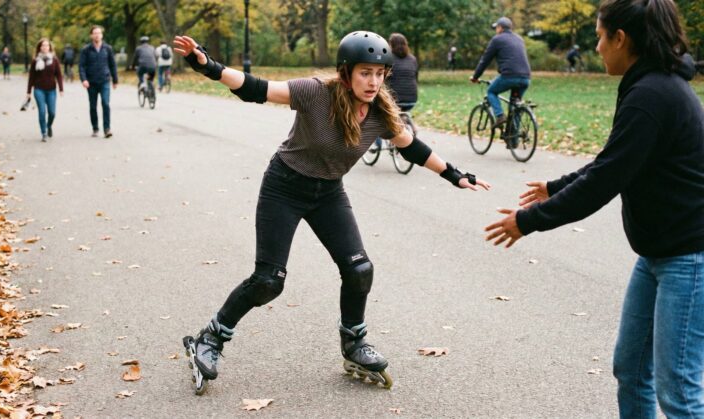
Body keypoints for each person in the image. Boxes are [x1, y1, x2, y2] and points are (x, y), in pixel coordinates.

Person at [173, 31, 491, 395]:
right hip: (284, 187)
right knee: (268, 281)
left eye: (380, 73)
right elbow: (256, 88)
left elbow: (411, 147)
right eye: (365, 73)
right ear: (345, 72)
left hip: (328, 193)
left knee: (359, 269)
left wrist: (454, 174)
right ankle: (211, 337)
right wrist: (208, 66)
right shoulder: (315, 93)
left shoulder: (381, 112)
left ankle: (354, 342)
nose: (373, 82)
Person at [485, 0, 704, 417]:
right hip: (659, 253)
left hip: (689, 257)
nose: (597, 47)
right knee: (632, 370)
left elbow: (605, 181)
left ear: (621, 39)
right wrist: (556, 187)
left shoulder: (652, 94)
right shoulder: (650, 85)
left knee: (677, 390)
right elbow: (616, 160)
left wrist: (527, 221)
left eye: (601, 37)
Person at [470, 17, 531, 130]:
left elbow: (485, 60)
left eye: (496, 28)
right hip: (526, 78)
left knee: (491, 91)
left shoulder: (497, 39)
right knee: (515, 105)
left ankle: (499, 116)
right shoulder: (519, 39)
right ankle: (513, 136)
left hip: (509, 76)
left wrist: (475, 77)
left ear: (500, 28)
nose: (495, 30)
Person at [79, 25, 118, 138]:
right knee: (93, 106)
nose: (97, 35)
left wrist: (115, 80)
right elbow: (82, 66)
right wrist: (84, 79)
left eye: (99, 33)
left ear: (102, 35)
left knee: (105, 103)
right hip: (91, 82)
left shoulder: (107, 48)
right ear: (91, 35)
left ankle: (107, 129)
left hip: (104, 80)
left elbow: (112, 64)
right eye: (95, 33)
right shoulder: (86, 50)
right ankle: (95, 128)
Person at [26, 38, 63, 142]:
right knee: (42, 111)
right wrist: (28, 91)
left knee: (52, 113)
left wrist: (61, 88)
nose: (45, 47)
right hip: (39, 89)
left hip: (51, 90)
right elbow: (31, 77)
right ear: (40, 48)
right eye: (43, 45)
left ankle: (48, 125)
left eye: (47, 45)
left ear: (49, 47)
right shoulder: (35, 60)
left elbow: (59, 75)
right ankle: (44, 133)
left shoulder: (54, 60)